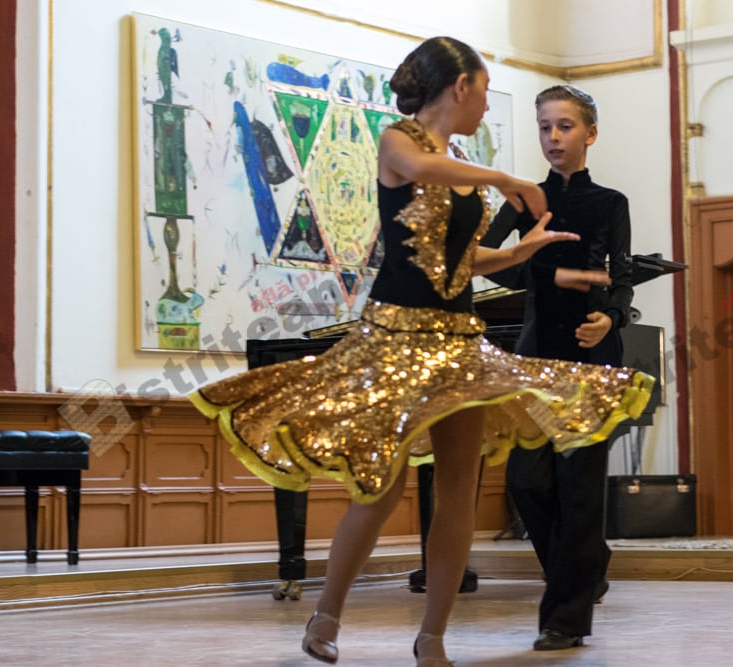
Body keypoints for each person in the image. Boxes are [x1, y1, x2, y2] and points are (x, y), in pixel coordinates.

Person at [190, 38, 653, 666]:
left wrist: (515, 254)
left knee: (460, 491)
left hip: (458, 342)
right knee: (379, 493)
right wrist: (503, 178)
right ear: (460, 87)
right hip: (396, 341)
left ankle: (433, 636)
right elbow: (421, 171)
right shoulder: (398, 142)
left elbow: (458, 259)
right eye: (483, 93)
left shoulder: (459, 160)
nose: (486, 107)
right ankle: (326, 615)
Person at [480, 84, 633, 651]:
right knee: (526, 480)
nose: (553, 137)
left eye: (565, 126)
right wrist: (537, 271)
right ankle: (583, 570)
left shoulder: (611, 202)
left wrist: (610, 319)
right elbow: (483, 259)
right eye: (545, 126)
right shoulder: (525, 200)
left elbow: (622, 274)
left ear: (590, 134)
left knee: (578, 485)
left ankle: (565, 617)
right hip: (535, 354)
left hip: (591, 355)